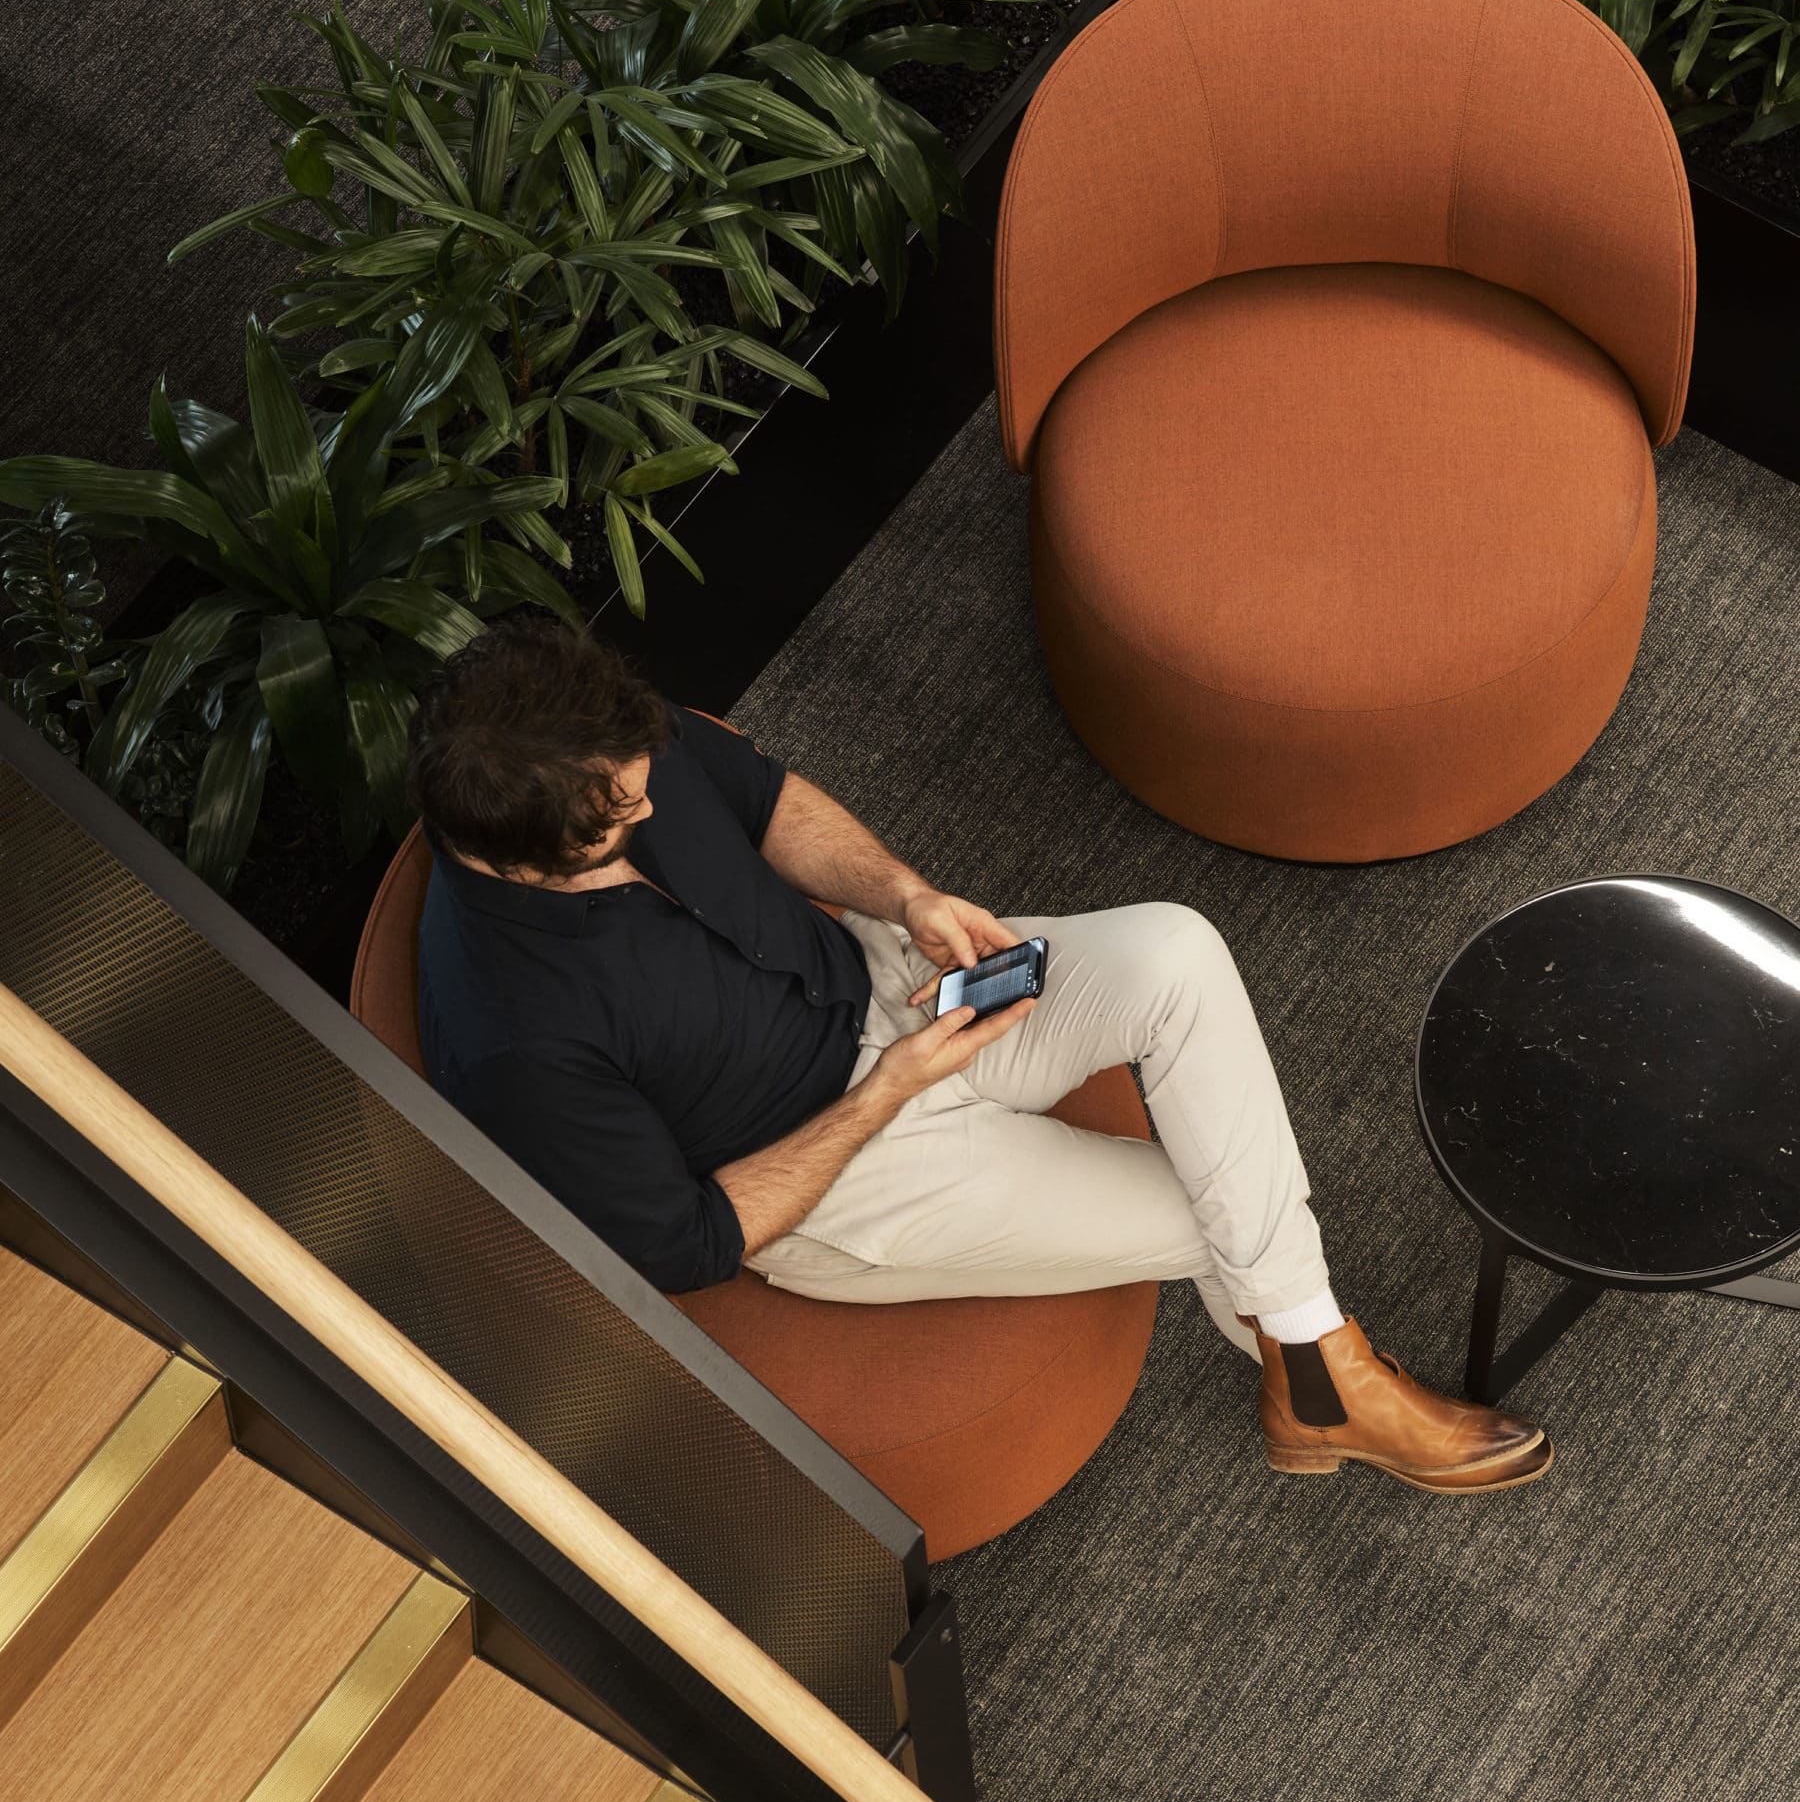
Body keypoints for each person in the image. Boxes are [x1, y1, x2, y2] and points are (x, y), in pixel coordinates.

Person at [410, 617, 1551, 1495]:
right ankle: (1325, 1374)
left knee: (1176, 950)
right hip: (842, 1184)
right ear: (529, 860)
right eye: (620, 822)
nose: (651, 806)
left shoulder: (605, 752)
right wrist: (892, 1091)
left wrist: (907, 895)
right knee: (1222, 1205)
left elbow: (766, 801)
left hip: (894, 985)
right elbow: (691, 1241)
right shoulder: (512, 1034)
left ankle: (1316, 1380)